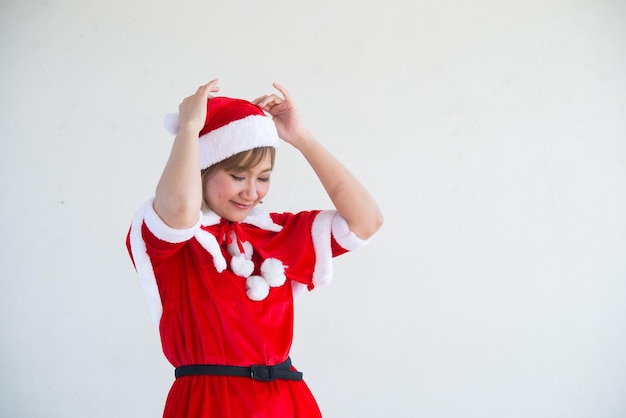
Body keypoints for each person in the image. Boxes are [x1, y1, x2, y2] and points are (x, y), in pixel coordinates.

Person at [126, 79, 383, 418]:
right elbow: (180, 208)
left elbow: (366, 220)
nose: (252, 192)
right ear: (201, 169)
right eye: (237, 175)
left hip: (288, 404)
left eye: (263, 178)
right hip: (209, 404)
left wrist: (302, 139)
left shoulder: (275, 232)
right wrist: (190, 129)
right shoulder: (173, 237)